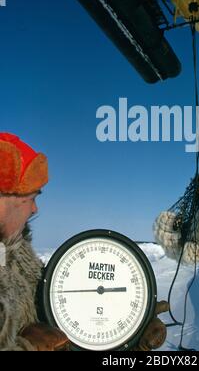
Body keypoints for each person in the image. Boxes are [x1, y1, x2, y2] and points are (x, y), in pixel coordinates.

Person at [0, 133, 168, 351]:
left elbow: (55, 323)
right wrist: (27, 348)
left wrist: (129, 332)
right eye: (30, 198)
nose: (35, 209)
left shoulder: (14, 258)